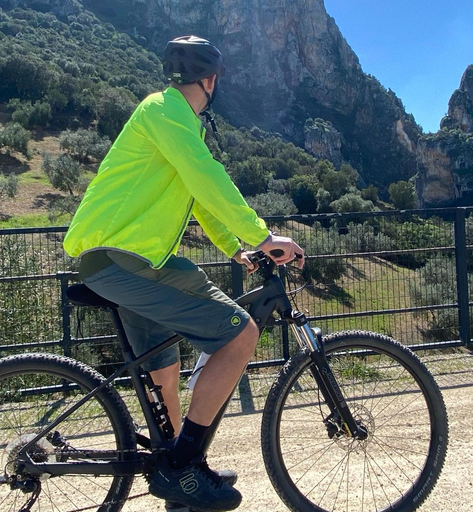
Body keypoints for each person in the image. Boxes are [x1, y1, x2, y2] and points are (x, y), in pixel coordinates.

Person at [62, 35, 304, 512]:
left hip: (128, 263)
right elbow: (206, 175)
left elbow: (197, 191)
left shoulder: (170, 117)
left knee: (166, 371)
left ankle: (180, 471)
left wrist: (237, 247)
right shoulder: (165, 112)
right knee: (240, 337)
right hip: (123, 262)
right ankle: (184, 466)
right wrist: (262, 235)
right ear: (211, 80)